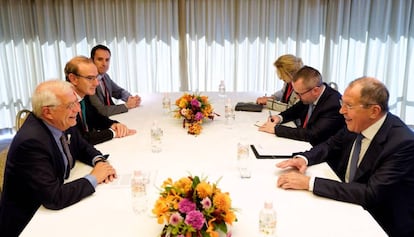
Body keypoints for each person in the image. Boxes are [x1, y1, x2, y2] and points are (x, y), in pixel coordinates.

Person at [276, 77, 414, 237]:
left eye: (349, 105)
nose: (341, 111)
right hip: (347, 200)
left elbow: (371, 194)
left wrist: (310, 183)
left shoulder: (403, 143)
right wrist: (303, 159)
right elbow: (329, 145)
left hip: (380, 221)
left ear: (374, 111)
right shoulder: (357, 122)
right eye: (343, 103)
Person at [0, 80, 117, 236]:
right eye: (70, 105)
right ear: (48, 112)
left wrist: (100, 162)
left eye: (76, 102)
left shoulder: (62, 120)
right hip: (30, 222)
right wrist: (94, 177)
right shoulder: (31, 142)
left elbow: (82, 146)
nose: (77, 109)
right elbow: (54, 197)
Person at [259, 66, 344, 146]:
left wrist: (276, 129)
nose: (297, 97)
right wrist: (280, 117)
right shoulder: (309, 94)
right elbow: (295, 110)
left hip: (321, 152)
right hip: (305, 144)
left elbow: (312, 134)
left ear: (315, 91)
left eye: (299, 94)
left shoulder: (333, 105)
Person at [65, 56, 136, 145]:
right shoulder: (64, 104)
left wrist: (113, 124)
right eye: (90, 78)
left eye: (96, 77)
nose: (96, 83)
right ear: (73, 79)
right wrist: (112, 133)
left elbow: (95, 117)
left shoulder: (84, 96)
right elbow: (80, 139)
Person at [89, 44, 141, 116]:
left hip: (113, 116)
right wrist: (127, 106)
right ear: (91, 61)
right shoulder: (88, 81)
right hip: (99, 122)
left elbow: (119, 91)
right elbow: (101, 110)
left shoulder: (105, 77)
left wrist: (130, 98)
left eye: (107, 60)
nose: (104, 64)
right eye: (100, 59)